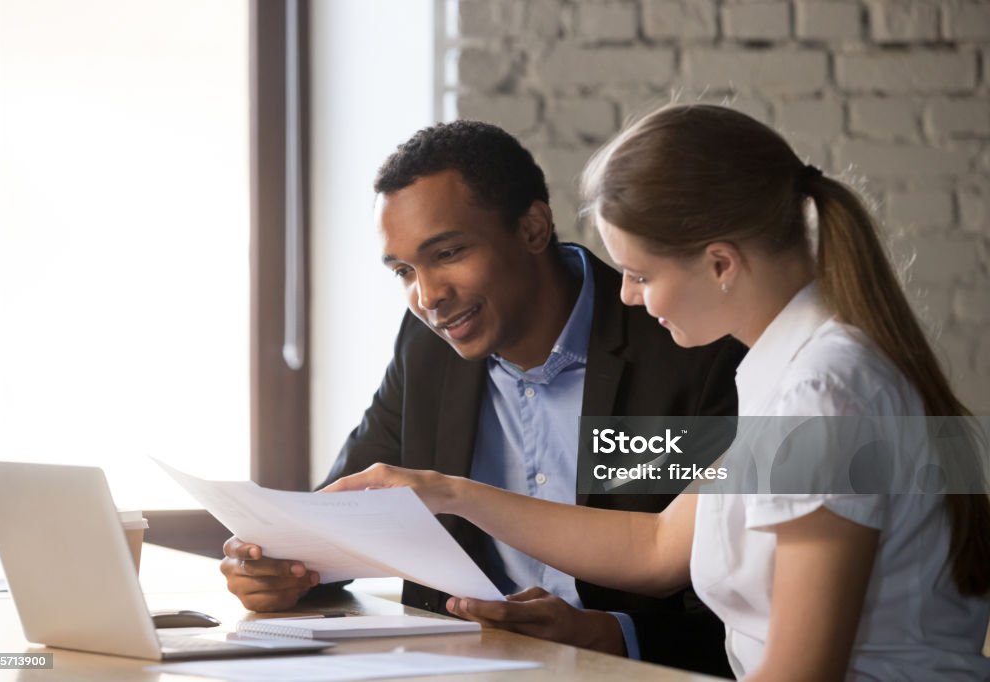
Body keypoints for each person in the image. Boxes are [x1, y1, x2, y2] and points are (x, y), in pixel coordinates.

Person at [325, 105, 990, 681]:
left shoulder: (820, 393)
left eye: (641, 274)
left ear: (721, 264)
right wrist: (451, 494)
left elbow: (798, 673)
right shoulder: (787, 371)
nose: (627, 295)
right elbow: (658, 547)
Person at [219, 120, 745, 676]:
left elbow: (740, 600)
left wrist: (615, 634)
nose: (427, 297)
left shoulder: (691, 349)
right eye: (403, 271)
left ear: (534, 228)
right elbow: (345, 512)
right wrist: (281, 567)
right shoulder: (425, 349)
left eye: (446, 253)